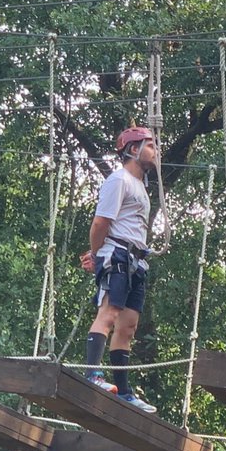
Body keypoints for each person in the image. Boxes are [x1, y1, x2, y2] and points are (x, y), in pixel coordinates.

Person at [78, 126, 160, 413]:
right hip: (118, 253)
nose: (156, 151)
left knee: (128, 326)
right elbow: (101, 223)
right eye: (150, 145)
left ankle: (124, 392)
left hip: (136, 260)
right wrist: (98, 255)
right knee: (109, 312)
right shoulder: (119, 180)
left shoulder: (142, 187)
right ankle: (92, 374)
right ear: (133, 149)